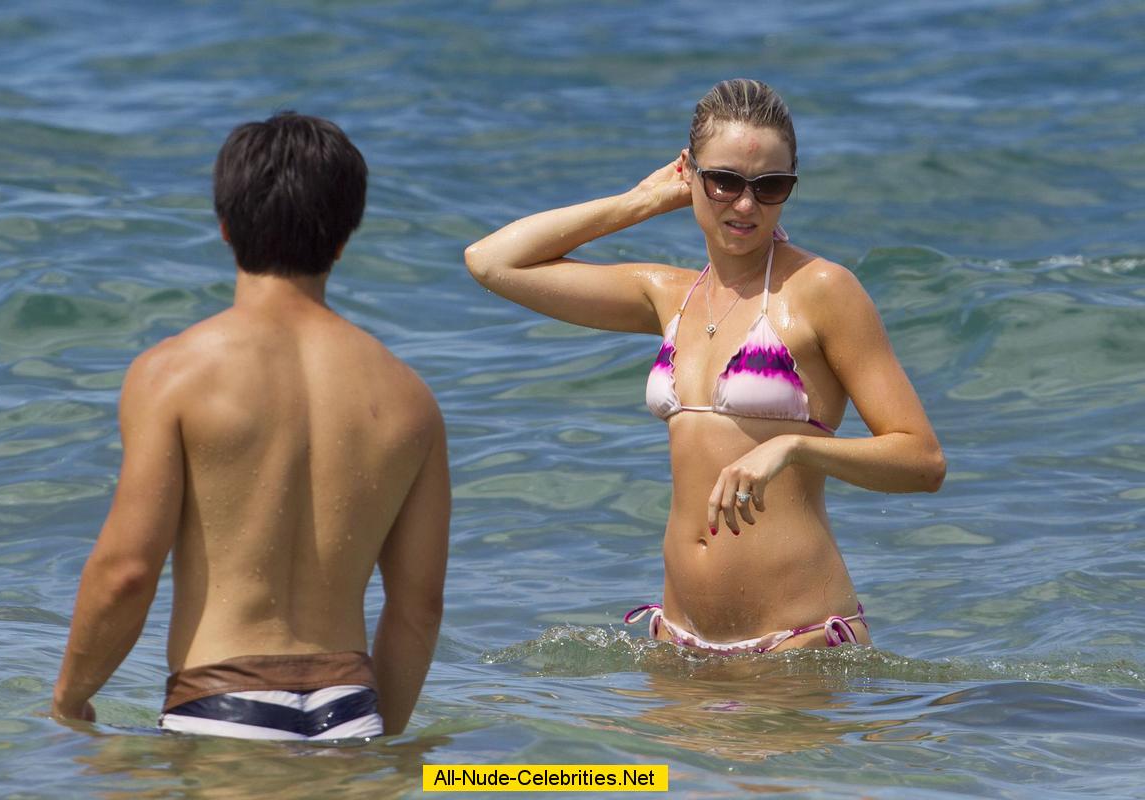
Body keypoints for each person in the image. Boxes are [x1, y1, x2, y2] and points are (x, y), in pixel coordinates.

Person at [465, 79, 944, 655]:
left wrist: (794, 447)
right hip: (676, 642)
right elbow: (491, 262)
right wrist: (639, 201)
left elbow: (922, 460)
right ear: (688, 172)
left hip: (796, 645)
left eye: (771, 187)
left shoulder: (821, 290)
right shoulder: (669, 297)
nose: (745, 205)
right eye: (724, 182)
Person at [52, 112, 450, 740]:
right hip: (350, 709)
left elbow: (127, 571)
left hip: (222, 706)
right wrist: (376, 738)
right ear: (345, 236)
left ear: (226, 228)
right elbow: (418, 608)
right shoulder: (408, 397)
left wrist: (69, 701)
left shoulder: (172, 374)